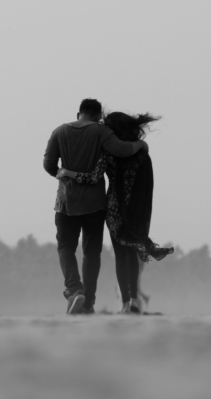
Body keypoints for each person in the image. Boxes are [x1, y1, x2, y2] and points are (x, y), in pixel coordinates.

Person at [56, 111, 174, 313]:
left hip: (114, 210)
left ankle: (126, 304)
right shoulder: (142, 154)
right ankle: (135, 301)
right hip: (135, 210)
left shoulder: (108, 154)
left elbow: (92, 178)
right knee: (132, 252)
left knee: (121, 255)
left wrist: (68, 173)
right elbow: (148, 185)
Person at [43, 99, 149, 315]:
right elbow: (120, 149)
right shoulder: (101, 132)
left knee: (66, 247)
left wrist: (63, 175)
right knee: (92, 253)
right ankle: (89, 302)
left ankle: (74, 291)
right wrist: (140, 144)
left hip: (66, 202)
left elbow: (48, 165)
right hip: (95, 204)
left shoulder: (59, 131)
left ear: (78, 113)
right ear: (98, 116)